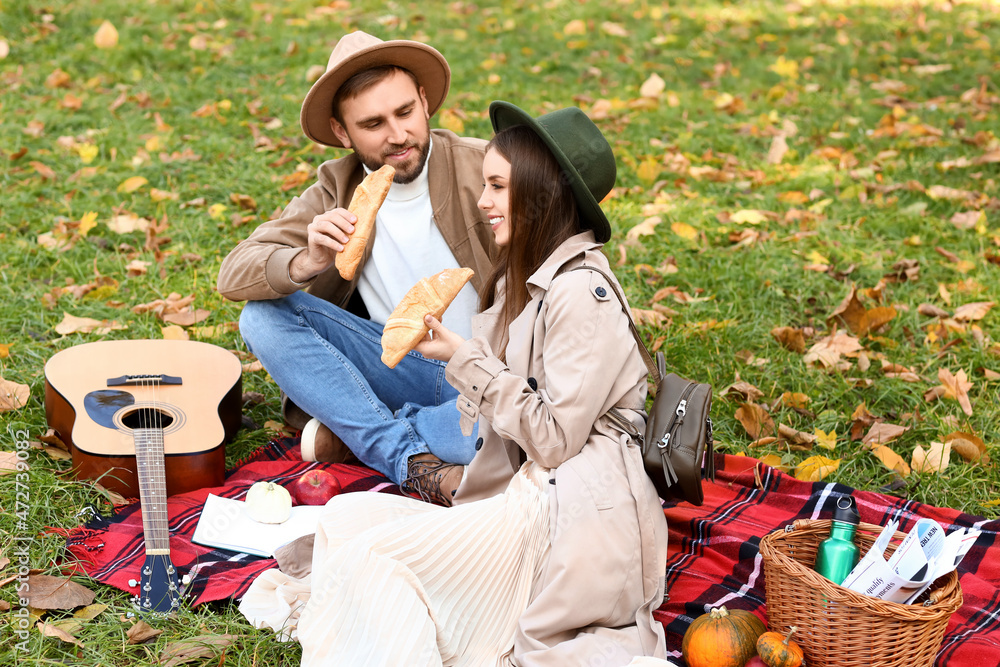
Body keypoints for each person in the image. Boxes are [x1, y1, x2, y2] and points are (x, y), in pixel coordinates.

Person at [239, 102, 670, 666]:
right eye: (485, 184)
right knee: (344, 521)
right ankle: (388, 445)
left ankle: (370, 442)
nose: (483, 200)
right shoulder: (534, 271)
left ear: (544, 193)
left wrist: (467, 358)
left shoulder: (579, 293)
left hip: (561, 509)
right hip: (515, 474)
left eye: (497, 186)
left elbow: (556, 441)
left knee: (370, 561)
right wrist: (456, 355)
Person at [217, 31, 496, 502]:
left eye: (405, 112)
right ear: (343, 132)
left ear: (425, 102)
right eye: (373, 124)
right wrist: (307, 260)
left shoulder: (483, 167)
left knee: (507, 440)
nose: (398, 134)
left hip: (492, 374)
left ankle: (361, 434)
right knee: (260, 316)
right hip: (402, 366)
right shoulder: (335, 190)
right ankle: (412, 459)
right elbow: (233, 274)